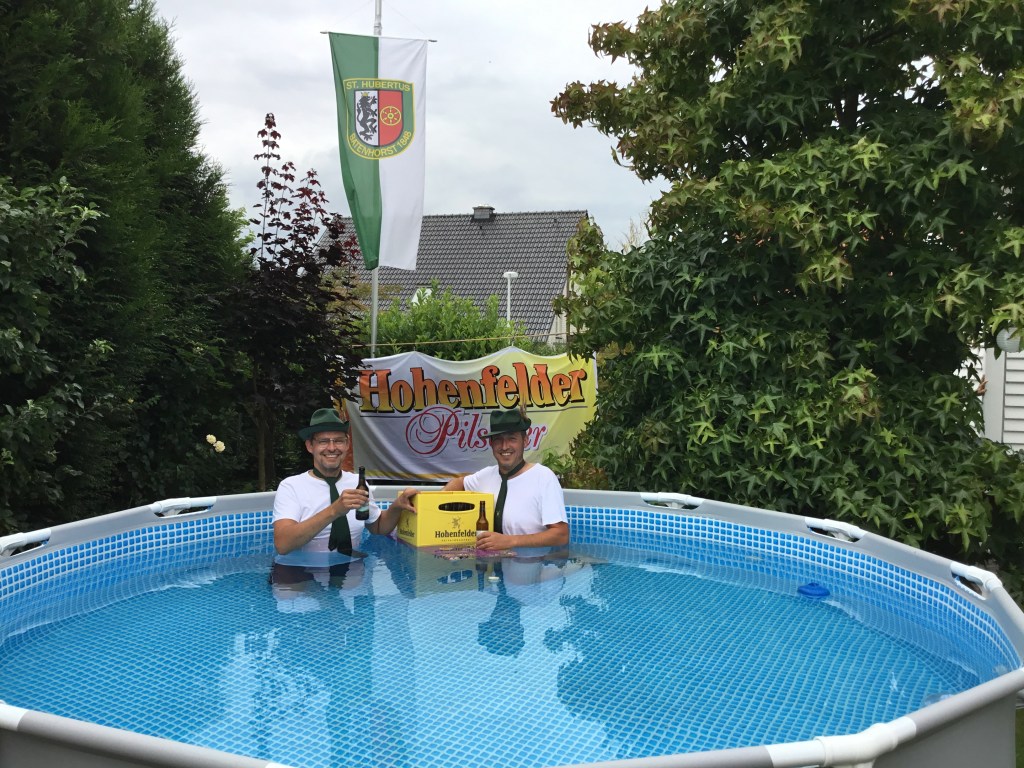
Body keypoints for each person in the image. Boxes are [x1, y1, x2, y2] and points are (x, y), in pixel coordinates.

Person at [392, 407, 569, 550]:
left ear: (525, 441)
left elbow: (561, 535)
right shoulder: (486, 476)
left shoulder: (543, 477)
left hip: (532, 568)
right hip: (493, 567)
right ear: (491, 444)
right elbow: (460, 483)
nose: (504, 446)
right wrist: (434, 508)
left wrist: (510, 541)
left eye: (512, 439)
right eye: (498, 440)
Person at [273, 407, 403, 557]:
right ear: (310, 446)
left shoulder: (357, 483)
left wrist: (397, 506)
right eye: (323, 441)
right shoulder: (291, 486)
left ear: (347, 445)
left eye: (339, 441)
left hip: (353, 566)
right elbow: (283, 545)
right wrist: (335, 510)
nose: (332, 448)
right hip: (306, 568)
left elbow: (378, 527)